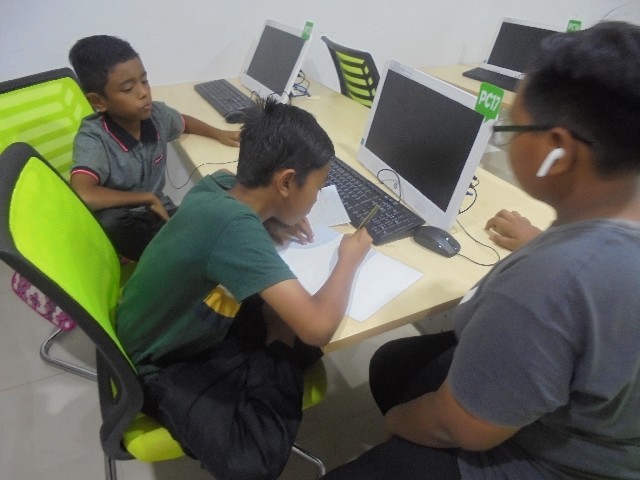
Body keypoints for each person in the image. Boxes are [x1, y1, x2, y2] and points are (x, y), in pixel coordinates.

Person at [322, 21, 640, 480]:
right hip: (610, 426)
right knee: (395, 363)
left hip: (562, 461)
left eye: (512, 127)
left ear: (558, 151)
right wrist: (545, 239)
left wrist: (395, 426)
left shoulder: (549, 282)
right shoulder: (606, 228)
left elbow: (462, 428)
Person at [116, 96, 373, 480]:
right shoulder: (234, 229)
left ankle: (273, 343)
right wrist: (347, 261)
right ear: (286, 182)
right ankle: (276, 338)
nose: (317, 198)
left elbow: (231, 206)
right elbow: (318, 328)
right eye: (318, 187)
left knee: (291, 339)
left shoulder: (217, 188)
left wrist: (274, 220)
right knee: (253, 459)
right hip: (158, 362)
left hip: (161, 324)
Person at [68, 35, 240, 261]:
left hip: (159, 211)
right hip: (126, 221)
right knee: (112, 221)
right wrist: (146, 197)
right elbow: (84, 193)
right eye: (128, 88)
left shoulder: (156, 115)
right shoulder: (94, 137)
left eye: (144, 81)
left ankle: (184, 252)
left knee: (220, 191)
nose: (143, 93)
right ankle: (167, 259)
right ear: (98, 102)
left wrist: (218, 133)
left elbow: (183, 122)